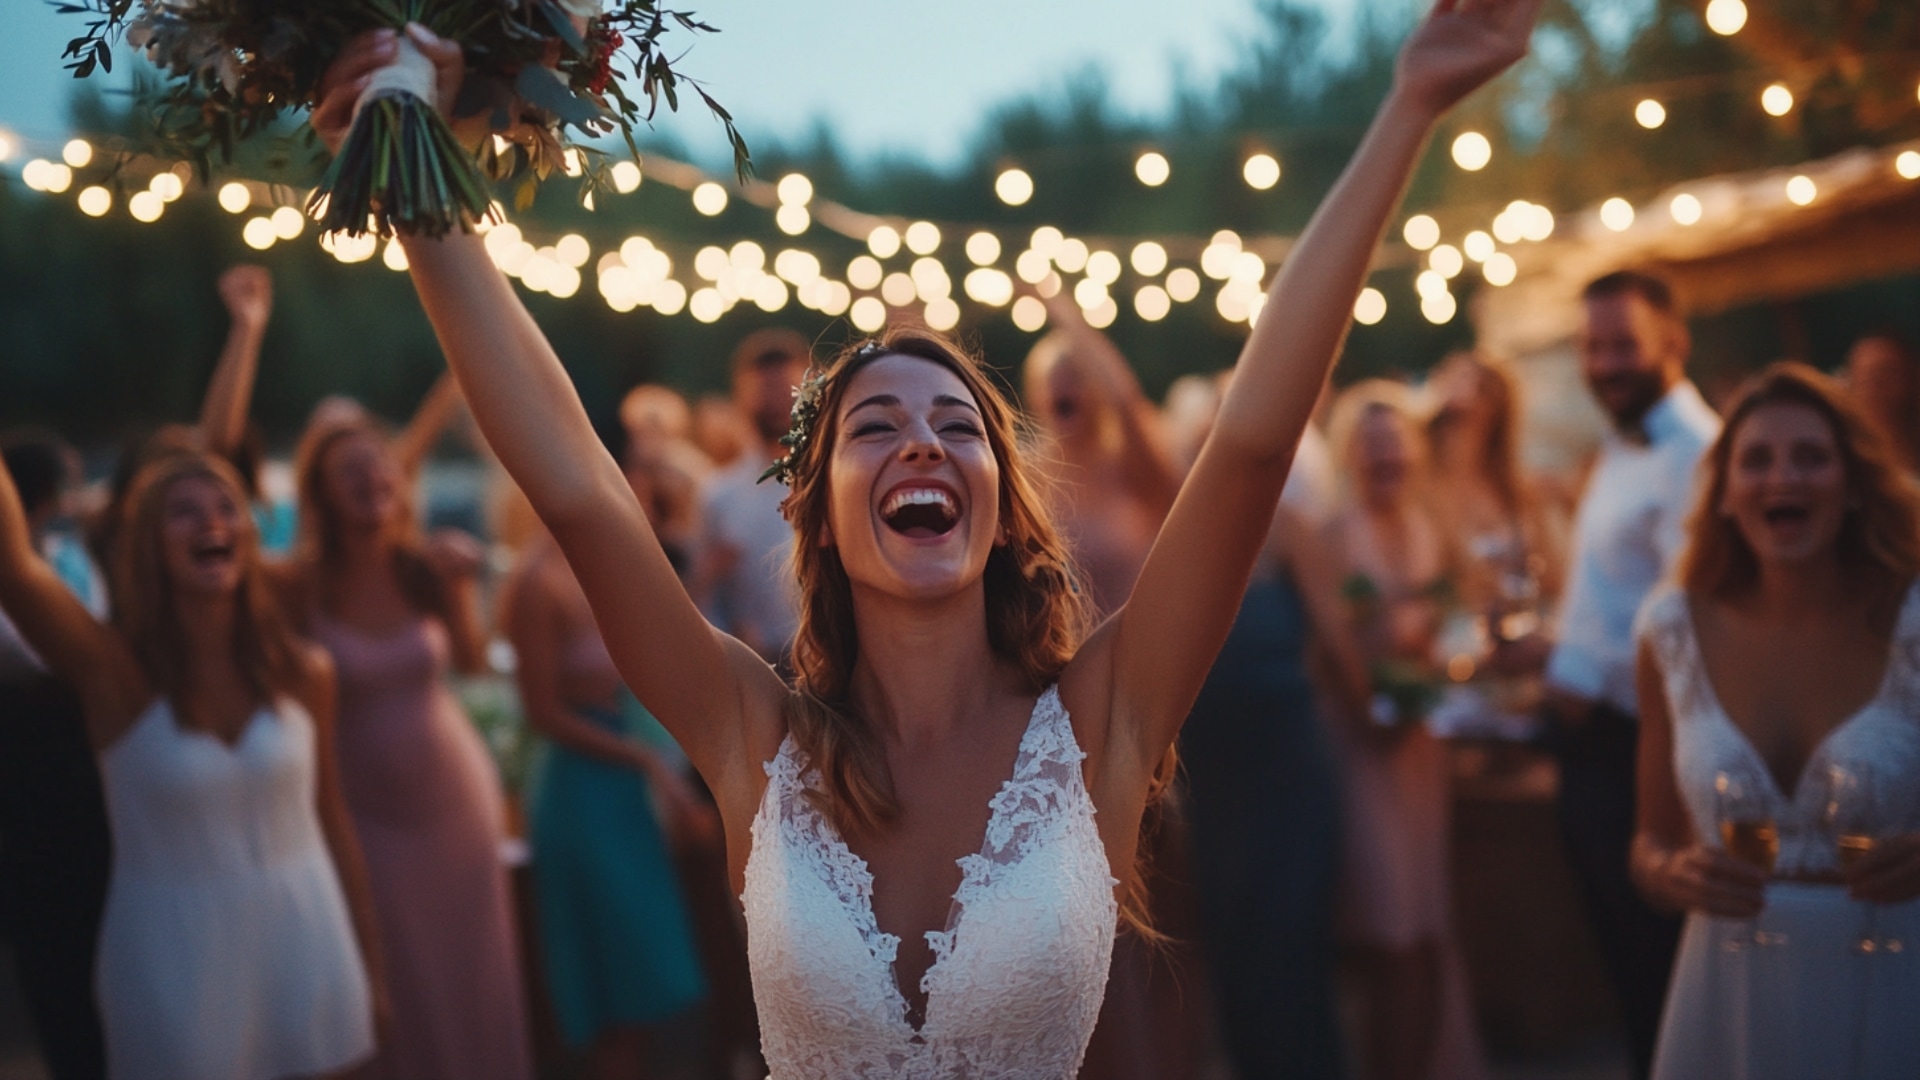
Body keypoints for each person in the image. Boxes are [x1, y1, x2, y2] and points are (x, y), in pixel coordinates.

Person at [310, 5, 1539, 1075]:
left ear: (1001, 508)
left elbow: (1257, 443)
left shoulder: (1104, 720)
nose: (921, 445)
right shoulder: (751, 732)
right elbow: (577, 487)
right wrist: (421, 191)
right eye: (874, 426)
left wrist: (1410, 106)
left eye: (960, 427)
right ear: (821, 516)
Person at [0, 450, 382, 1080]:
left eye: (226, 507)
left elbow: (335, 823)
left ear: (251, 534)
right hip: (172, 961)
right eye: (183, 512)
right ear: (148, 545)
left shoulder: (304, 673)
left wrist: (370, 968)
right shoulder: (114, 674)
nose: (211, 523)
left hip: (309, 941)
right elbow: (13, 569)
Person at [1629, 363, 1920, 1079]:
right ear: (1724, 493)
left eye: (1811, 457)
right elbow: (1649, 842)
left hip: (1892, 982)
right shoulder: (1670, 631)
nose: (1782, 477)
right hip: (1727, 994)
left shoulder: (1914, 622)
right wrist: (1672, 875)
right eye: (1755, 459)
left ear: (1852, 486)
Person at [281, 413, 532, 1080]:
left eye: (380, 463)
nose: (372, 477)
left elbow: (474, 665)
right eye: (349, 470)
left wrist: (460, 587)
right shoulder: (299, 586)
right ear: (321, 493)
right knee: (401, 980)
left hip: (455, 803)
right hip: (364, 817)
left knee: (474, 973)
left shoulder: (421, 566)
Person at [1543, 269, 1718, 1077]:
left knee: (1661, 981)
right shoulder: (1620, 444)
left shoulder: (1698, 456)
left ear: (1673, 345)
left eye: (1623, 345)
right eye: (1592, 345)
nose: (1604, 363)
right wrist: (1552, 649)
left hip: (1641, 751)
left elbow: (1695, 625)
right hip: (1590, 749)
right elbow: (1613, 604)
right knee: (1626, 974)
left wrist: (1584, 677)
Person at [504, 524, 712, 1079]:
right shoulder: (536, 581)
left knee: (645, 981)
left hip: (623, 780)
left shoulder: (606, 559)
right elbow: (542, 711)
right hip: (582, 789)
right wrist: (645, 761)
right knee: (613, 987)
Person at [1324, 381, 1486, 1080]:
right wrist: (1376, 702)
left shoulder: (1431, 529)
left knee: (1425, 927)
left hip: (1424, 750)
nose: (1386, 458)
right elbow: (1330, 652)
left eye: (1397, 447)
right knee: (1386, 937)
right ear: (1349, 456)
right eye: (1372, 446)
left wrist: (1452, 668)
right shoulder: (1332, 537)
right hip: (1361, 752)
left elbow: (1461, 626)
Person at [0, 434, 111, 1080]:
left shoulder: (73, 555)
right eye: (67, 484)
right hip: (25, 774)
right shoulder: (26, 572)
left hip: (86, 770)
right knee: (53, 955)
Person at [690, 330, 812, 662]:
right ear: (741, 396)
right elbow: (703, 597)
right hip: (756, 664)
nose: (777, 402)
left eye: (787, 390)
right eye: (764, 391)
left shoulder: (838, 480)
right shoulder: (719, 493)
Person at [1844, 330, 1920, 477]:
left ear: (1912, 379)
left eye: (1886, 372)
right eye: (1865, 376)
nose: (1874, 385)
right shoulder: (1841, 458)